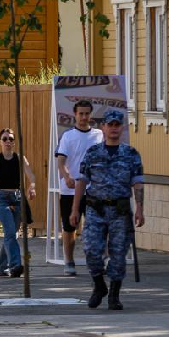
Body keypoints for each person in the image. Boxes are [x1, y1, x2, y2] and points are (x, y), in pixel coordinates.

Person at [71, 109, 144, 310]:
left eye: (117, 125)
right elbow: (81, 182)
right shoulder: (93, 153)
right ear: (102, 127)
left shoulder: (131, 154)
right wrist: (75, 210)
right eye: (109, 125)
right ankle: (99, 286)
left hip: (120, 211)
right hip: (96, 210)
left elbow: (137, 184)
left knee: (118, 254)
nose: (113, 128)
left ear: (121, 128)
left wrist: (139, 208)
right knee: (92, 250)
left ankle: (114, 295)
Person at [54, 99, 103, 277]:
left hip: (93, 189)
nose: (83, 117)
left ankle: (98, 260)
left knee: (96, 226)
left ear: (91, 115)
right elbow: (61, 161)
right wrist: (67, 176)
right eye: (80, 113)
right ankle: (69, 260)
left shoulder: (99, 135)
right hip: (70, 189)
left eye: (87, 113)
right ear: (75, 114)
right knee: (69, 227)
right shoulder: (68, 136)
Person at [0, 127, 38, 277]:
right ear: (0, 142)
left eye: (11, 139)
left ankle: (1, 266)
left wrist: (32, 187)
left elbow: (31, 176)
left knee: (11, 234)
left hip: (17, 197)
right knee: (9, 232)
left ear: (14, 142)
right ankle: (15, 265)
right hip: (1, 198)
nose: (8, 141)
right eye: (5, 139)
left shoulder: (20, 158)